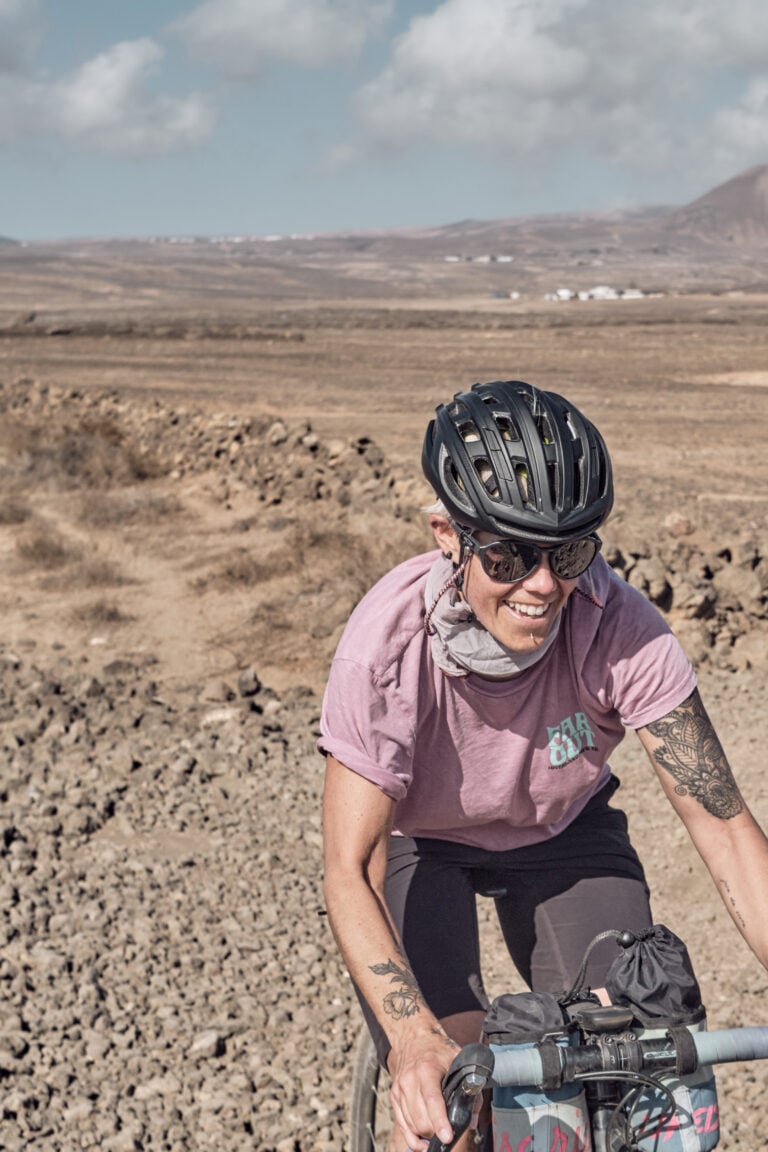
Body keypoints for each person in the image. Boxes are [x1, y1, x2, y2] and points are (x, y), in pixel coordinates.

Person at [319, 379, 768, 1152]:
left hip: (564, 833)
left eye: (569, 553)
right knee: (451, 1102)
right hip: (421, 842)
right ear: (446, 535)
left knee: (634, 1074)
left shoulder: (621, 629)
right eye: (508, 554)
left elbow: (725, 829)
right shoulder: (385, 650)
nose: (543, 584)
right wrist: (414, 1040)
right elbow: (349, 866)